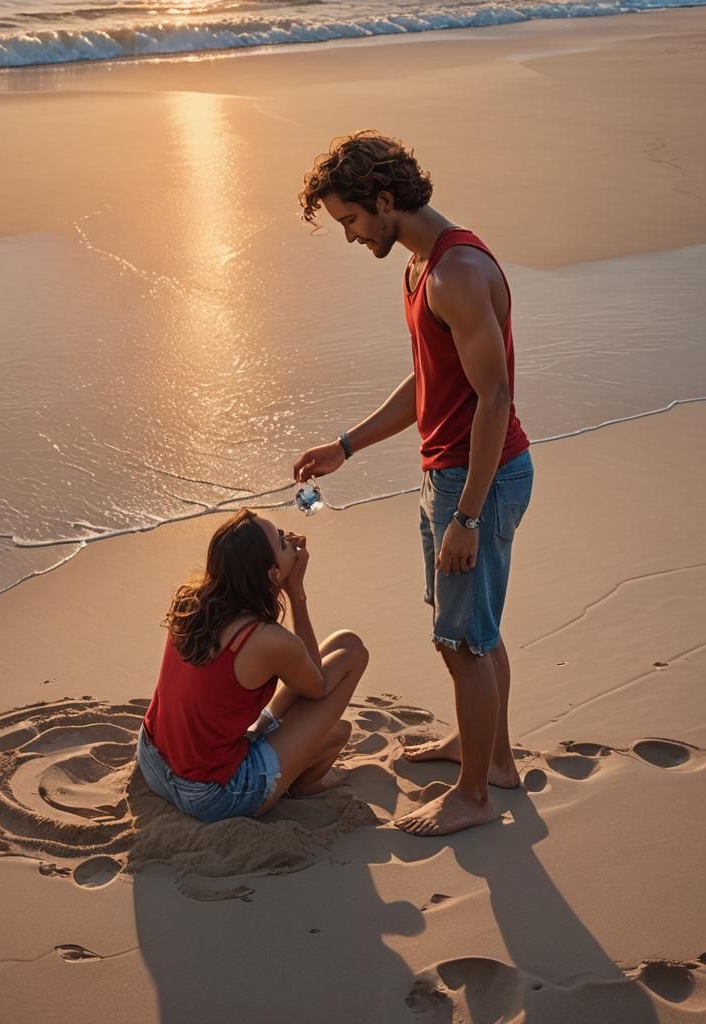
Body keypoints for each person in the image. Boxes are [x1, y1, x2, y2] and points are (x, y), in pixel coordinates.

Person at [294, 131, 534, 837]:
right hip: (450, 474)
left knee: (463, 642)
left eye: (350, 220)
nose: (350, 236)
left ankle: (475, 795)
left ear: (384, 199)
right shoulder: (420, 270)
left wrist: (467, 516)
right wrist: (346, 446)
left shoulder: (457, 271)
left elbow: (494, 398)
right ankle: (489, 755)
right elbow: (432, 381)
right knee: (469, 630)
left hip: (479, 480)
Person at [137, 508, 369, 823]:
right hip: (212, 795)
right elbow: (316, 686)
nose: (290, 539)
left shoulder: (191, 602)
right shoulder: (266, 639)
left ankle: (277, 742)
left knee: (344, 643)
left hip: (153, 760)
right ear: (273, 573)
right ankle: (303, 780)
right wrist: (296, 592)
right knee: (352, 656)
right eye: (281, 540)